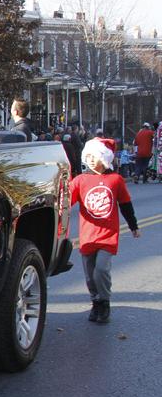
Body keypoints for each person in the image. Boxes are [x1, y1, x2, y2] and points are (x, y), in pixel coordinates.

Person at [68, 138, 140, 324]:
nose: (92, 160)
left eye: (96, 156)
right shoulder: (80, 180)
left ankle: (105, 302)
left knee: (101, 270)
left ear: (105, 158)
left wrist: (133, 226)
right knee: (90, 276)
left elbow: (125, 205)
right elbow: (65, 202)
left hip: (107, 236)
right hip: (87, 236)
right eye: (89, 156)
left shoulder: (115, 180)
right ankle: (96, 302)